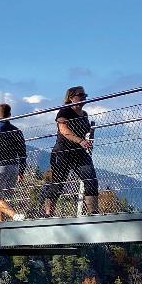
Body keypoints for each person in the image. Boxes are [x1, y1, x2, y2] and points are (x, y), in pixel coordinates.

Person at [39, 86, 98, 217]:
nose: (84, 97)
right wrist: (80, 141)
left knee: (91, 179)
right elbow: (64, 130)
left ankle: (93, 212)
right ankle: (48, 214)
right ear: (71, 98)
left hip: (79, 153)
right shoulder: (64, 111)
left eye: (85, 95)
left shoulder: (84, 115)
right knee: (58, 184)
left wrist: (88, 136)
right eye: (80, 95)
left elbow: (86, 132)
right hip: (63, 153)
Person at [0, 103, 27, 221]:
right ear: (10, 115)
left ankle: (15, 215)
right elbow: (22, 152)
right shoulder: (17, 130)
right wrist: (21, 171)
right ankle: (1, 224)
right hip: (14, 167)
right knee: (1, 199)